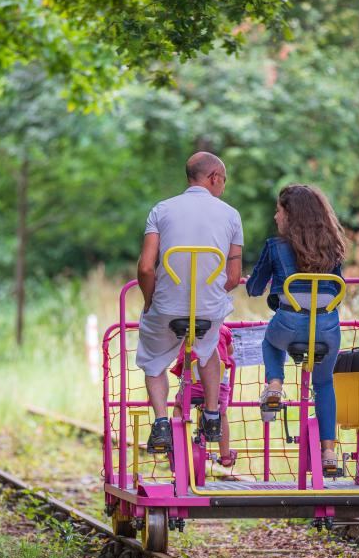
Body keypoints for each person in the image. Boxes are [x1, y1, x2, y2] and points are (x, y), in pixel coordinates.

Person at [136, 152, 243, 453]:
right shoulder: (231, 215)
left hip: (166, 307)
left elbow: (145, 268)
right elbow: (233, 277)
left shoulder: (161, 209)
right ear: (213, 178)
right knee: (209, 349)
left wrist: (149, 303)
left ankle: (159, 423)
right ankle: (211, 414)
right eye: (223, 179)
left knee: (154, 360)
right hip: (208, 309)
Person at [246, 185, 346, 471]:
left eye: (279, 211)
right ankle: (328, 454)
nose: (276, 217)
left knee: (270, 342)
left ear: (290, 215)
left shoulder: (275, 246)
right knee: (325, 383)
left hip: (289, 321)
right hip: (327, 325)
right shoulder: (333, 245)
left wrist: (257, 282)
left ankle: (275, 384)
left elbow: (254, 288)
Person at [171, 324, 236, 465]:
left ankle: (182, 446)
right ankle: (225, 455)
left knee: (179, 407)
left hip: (193, 385)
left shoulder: (185, 328)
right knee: (222, 413)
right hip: (218, 386)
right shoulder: (223, 329)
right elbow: (230, 351)